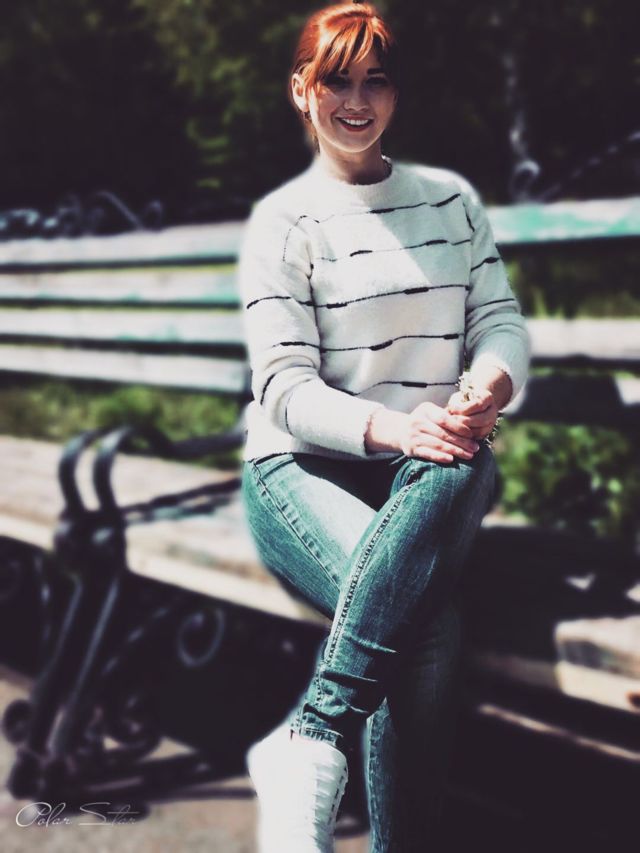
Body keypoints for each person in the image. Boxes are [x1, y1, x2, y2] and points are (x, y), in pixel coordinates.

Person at [238, 2, 530, 850]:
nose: (358, 101)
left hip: (430, 474)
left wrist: (487, 385)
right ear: (302, 90)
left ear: (397, 92)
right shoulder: (284, 222)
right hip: (301, 470)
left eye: (377, 81)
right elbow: (284, 389)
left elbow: (500, 321)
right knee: (427, 626)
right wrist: (398, 429)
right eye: (338, 81)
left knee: (461, 458)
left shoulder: (449, 202)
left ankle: (309, 739)